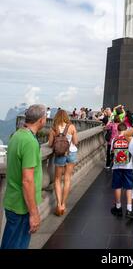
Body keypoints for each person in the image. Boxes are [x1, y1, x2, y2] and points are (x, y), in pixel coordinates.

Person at [1, 104, 47, 249]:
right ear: (40, 120)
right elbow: (27, 180)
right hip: (22, 207)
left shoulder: (17, 135)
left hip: (12, 200)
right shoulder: (29, 142)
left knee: (9, 242)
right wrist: (34, 213)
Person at [48, 109, 78, 216]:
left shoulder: (53, 128)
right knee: (67, 179)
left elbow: (50, 144)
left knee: (57, 179)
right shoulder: (72, 127)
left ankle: (58, 204)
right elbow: (76, 142)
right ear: (66, 117)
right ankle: (64, 204)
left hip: (60, 155)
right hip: (71, 153)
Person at [110, 122, 133, 219]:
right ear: (126, 129)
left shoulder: (114, 140)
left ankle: (118, 207)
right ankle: (129, 209)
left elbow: (112, 151)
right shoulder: (130, 139)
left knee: (117, 186)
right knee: (129, 187)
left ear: (118, 130)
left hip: (117, 166)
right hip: (128, 166)